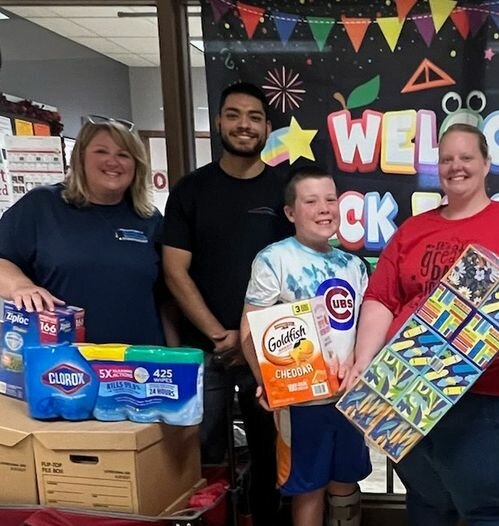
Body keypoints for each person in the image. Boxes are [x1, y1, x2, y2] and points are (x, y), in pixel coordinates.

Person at [344, 123, 499, 525]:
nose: (455, 166)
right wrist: (363, 361)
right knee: (428, 506)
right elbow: (381, 298)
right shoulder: (413, 229)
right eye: (447, 159)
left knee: (493, 511)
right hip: (407, 392)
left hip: (491, 400)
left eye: (466, 157)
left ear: (486, 163)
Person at [162, 82, 290, 525]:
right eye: (234, 114)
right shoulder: (190, 190)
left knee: (271, 458)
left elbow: (291, 275)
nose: (244, 125)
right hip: (205, 350)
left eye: (254, 117)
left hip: (269, 354)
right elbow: (174, 270)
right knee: (202, 459)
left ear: (267, 128)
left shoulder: (282, 192)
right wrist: (221, 334)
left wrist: (249, 339)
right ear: (218, 122)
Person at [240, 166, 372, 526]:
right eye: (311, 201)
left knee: (346, 480)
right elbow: (251, 330)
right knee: (308, 487)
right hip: (300, 401)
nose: (324, 208)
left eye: (331, 199)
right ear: (291, 212)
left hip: (348, 397)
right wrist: (265, 381)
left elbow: (365, 328)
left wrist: (360, 364)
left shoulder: (354, 266)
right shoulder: (275, 259)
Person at [0, 115, 176, 346]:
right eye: (101, 151)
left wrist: (178, 357)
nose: (113, 162)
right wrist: (20, 286)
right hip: (64, 362)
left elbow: (166, 299)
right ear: (80, 157)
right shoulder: (42, 205)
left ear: (137, 166)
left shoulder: (149, 219)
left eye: (124, 154)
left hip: (139, 365)